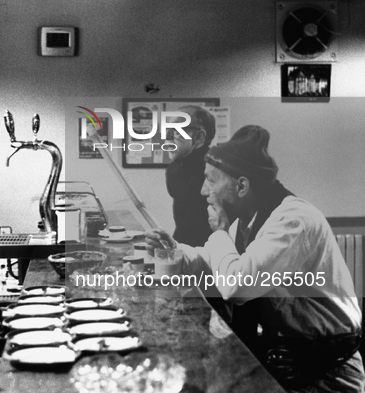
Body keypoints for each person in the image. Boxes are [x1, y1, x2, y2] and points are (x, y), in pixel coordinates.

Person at [146, 126, 363, 392]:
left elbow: (237, 285)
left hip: (327, 371)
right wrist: (174, 252)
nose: (203, 191)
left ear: (241, 185)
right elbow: (214, 261)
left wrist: (221, 233)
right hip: (290, 357)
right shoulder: (249, 221)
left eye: (211, 180)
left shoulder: (293, 221)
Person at [165, 105, 215, 247]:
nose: (167, 137)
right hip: (183, 251)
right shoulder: (173, 170)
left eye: (176, 130)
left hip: (214, 255)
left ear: (199, 137)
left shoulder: (220, 171)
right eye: (167, 130)